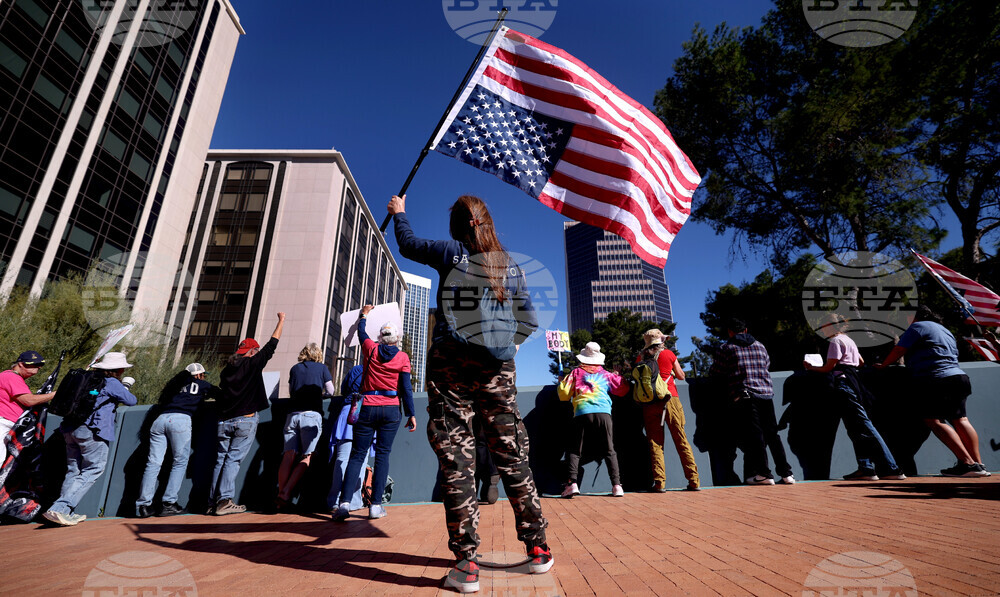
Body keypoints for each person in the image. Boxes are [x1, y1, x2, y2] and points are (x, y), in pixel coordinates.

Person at [389, 193, 552, 594]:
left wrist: (400, 214)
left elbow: (408, 246)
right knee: (512, 454)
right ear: (488, 223)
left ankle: (466, 563)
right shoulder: (510, 267)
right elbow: (528, 321)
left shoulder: (451, 253)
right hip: (497, 368)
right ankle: (538, 549)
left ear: (459, 226)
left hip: (450, 367)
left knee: (456, 459)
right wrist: (504, 348)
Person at [876, 307, 990, 477]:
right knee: (961, 419)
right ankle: (978, 464)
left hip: (936, 379)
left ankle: (967, 463)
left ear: (913, 316)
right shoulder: (945, 330)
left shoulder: (917, 327)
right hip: (958, 377)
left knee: (934, 420)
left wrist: (883, 365)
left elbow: (899, 349)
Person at [331, 304, 417, 521]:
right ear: (396, 339)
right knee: (382, 455)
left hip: (367, 406)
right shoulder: (403, 358)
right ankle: (375, 506)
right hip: (390, 409)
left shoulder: (370, 348)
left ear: (380, 337)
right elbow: (406, 388)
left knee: (357, 455)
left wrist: (364, 315)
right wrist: (411, 414)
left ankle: (344, 504)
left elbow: (361, 332)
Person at [804, 314, 905, 481]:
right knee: (855, 429)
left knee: (865, 426)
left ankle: (891, 467)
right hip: (854, 383)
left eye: (823, 325)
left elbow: (829, 367)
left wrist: (810, 367)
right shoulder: (849, 340)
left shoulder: (835, 341)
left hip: (843, 385)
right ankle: (865, 468)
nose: (822, 329)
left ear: (830, 325)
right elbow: (860, 362)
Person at [43, 352, 137, 526]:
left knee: (74, 470)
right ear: (120, 369)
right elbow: (131, 401)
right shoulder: (112, 383)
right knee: (94, 469)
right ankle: (59, 509)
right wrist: (125, 387)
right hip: (93, 432)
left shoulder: (89, 380)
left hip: (70, 428)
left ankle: (65, 512)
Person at [210, 312, 285, 515]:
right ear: (252, 351)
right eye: (256, 350)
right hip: (245, 419)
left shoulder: (226, 371)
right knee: (233, 460)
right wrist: (281, 321)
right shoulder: (252, 364)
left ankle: (213, 502)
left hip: (224, 421)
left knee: (220, 459)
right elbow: (272, 345)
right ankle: (224, 501)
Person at [713, 319, 794, 486]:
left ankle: (764, 474)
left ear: (730, 332)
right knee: (772, 434)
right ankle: (786, 474)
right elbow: (767, 365)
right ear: (746, 330)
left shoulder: (726, 348)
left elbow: (717, 372)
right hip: (766, 394)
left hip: (745, 395)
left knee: (755, 436)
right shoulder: (760, 345)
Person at [135, 363, 217, 518]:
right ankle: (169, 503)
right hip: (180, 420)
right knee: (179, 462)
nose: (204, 377)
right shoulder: (201, 384)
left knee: (153, 463)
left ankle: (144, 505)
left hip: (160, 421)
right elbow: (219, 393)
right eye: (203, 374)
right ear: (198, 375)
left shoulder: (174, 385)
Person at [557, 342, 629, 498]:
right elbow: (623, 390)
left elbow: (563, 395)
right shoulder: (606, 374)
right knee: (610, 450)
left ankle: (572, 484)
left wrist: (561, 381)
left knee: (575, 450)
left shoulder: (575, 373)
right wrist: (618, 375)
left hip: (582, 412)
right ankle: (617, 486)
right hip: (604, 413)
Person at [636, 329, 700, 492]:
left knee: (655, 443)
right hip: (670, 399)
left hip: (649, 403)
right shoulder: (668, 354)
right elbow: (681, 376)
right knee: (681, 440)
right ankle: (693, 480)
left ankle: (659, 483)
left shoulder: (640, 357)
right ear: (661, 341)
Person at [276, 343, 332, 507]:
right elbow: (330, 390)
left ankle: (280, 494)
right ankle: (286, 493)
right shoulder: (322, 368)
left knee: (288, 454)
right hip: (311, 415)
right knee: (307, 456)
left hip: (292, 415)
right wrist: (320, 395)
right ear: (318, 355)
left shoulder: (295, 368)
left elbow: (292, 391)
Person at [0, 351, 56, 468]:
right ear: (20, 364)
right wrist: (54, 394)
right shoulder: (11, 376)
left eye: (39, 366)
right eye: (34, 365)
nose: (37, 368)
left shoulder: (11, 377)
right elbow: (29, 401)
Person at [326, 364, 369, 513]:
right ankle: (354, 501)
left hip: (348, 410)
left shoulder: (356, 369)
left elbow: (344, 390)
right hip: (366, 412)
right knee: (361, 460)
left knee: (342, 459)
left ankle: (335, 501)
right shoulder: (379, 369)